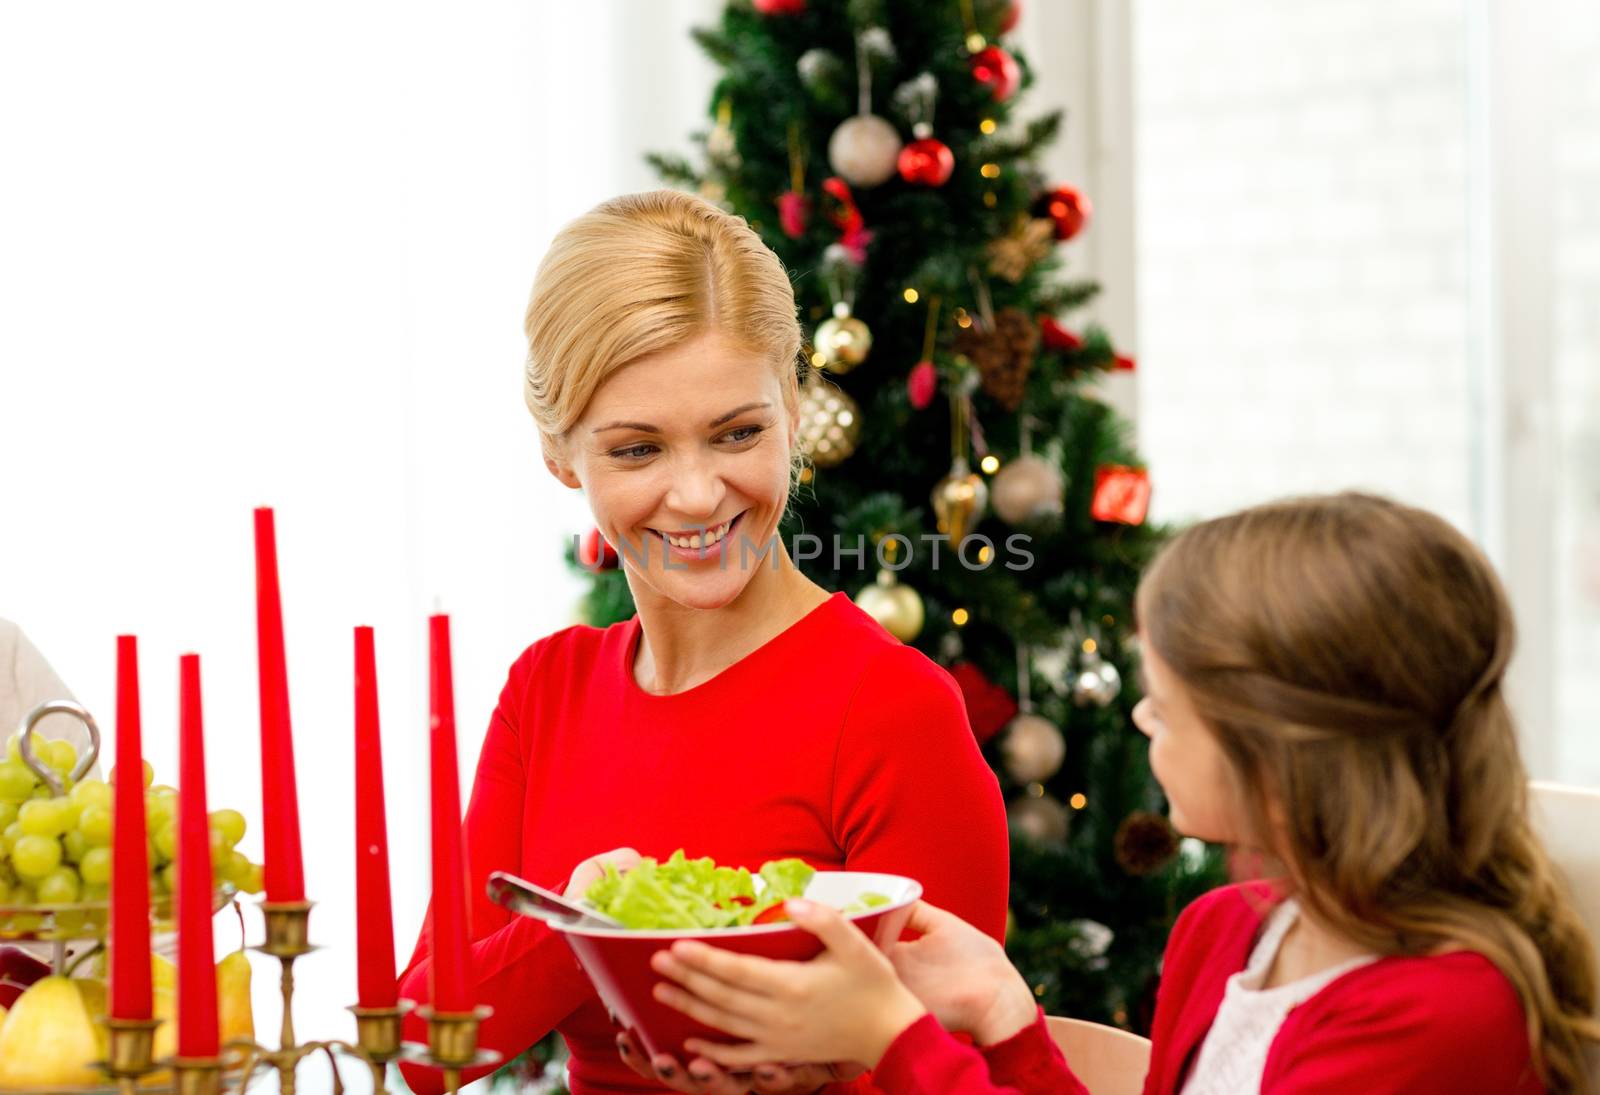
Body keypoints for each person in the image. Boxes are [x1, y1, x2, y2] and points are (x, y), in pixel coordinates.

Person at [649, 493, 1600, 1094]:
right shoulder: (1225, 932)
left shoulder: (1440, 1015)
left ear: (1282, 750)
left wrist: (893, 1039)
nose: (1144, 720)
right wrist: (1006, 1020)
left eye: (1172, 704)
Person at [395, 190, 1010, 1095]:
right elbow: (423, 1044)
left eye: (737, 433)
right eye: (637, 450)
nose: (695, 494)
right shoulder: (547, 691)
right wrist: (586, 926)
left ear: (794, 417)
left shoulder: (889, 704)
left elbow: (967, 1070)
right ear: (562, 455)